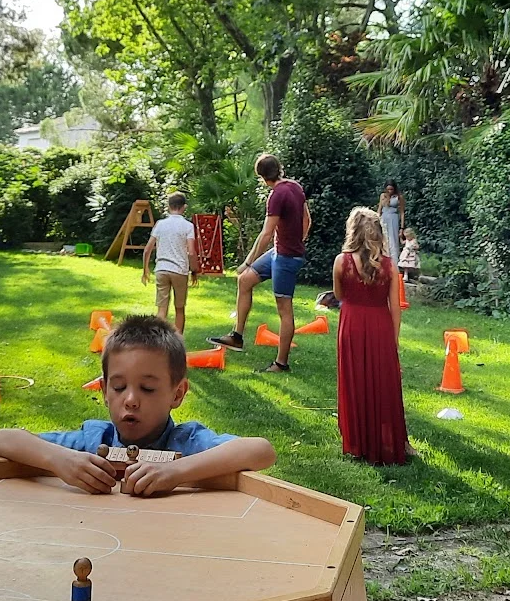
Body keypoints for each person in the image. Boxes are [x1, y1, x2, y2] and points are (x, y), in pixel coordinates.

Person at [0, 315, 275, 495]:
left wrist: (175, 472)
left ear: (177, 394)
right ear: (103, 390)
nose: (131, 400)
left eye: (148, 388)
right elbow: (1, 440)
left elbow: (261, 450)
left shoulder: (187, 442)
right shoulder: (93, 441)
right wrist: (59, 460)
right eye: (119, 387)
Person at [208, 154, 310, 372]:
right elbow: (307, 220)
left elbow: (265, 234)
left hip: (286, 258)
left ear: (262, 177)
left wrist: (248, 261)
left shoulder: (276, 196)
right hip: (279, 252)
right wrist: (297, 241)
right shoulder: (295, 187)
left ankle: (281, 363)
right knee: (244, 281)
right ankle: (236, 336)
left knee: (285, 310)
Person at [334, 208, 409, 465]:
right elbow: (395, 308)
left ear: (352, 231)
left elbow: (340, 295)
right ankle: (387, 441)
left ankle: (358, 442)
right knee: (382, 383)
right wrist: (394, 339)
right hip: (380, 326)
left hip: (352, 325)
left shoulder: (341, 261)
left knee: (355, 380)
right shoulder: (389, 265)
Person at [143, 193, 198, 334]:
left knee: (162, 308)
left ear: (168, 206)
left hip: (161, 269)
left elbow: (148, 249)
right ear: (184, 207)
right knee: (179, 308)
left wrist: (145, 270)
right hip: (179, 270)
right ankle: (178, 341)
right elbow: (191, 252)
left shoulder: (160, 225)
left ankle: (159, 340)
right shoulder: (188, 226)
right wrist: (194, 270)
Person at [377, 181, 405, 264]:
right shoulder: (383, 196)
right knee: (383, 238)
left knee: (393, 240)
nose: (390, 191)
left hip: (393, 218)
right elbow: (379, 209)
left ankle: (394, 263)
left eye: (391, 189)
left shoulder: (399, 197)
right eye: (388, 189)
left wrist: (402, 228)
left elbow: (402, 212)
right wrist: (376, 220)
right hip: (384, 218)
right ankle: (382, 260)